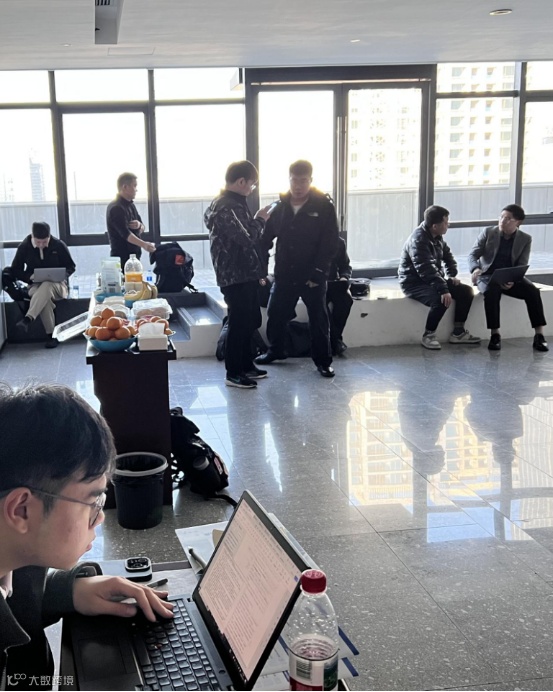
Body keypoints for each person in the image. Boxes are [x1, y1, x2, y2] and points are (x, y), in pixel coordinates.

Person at [0, 383, 173, 689]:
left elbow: (14, 600)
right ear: (21, 510)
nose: (101, 517)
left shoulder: (14, 557)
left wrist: (70, 591)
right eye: (93, 503)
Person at [256, 160, 339, 378]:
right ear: (289, 180)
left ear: (310, 181)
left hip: (312, 275)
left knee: (318, 319)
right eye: (294, 180)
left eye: (303, 181)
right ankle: (276, 350)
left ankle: (323, 362)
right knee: (276, 313)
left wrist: (319, 273)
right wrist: (262, 270)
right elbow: (265, 239)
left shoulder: (323, 206)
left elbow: (330, 243)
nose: (298, 185)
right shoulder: (280, 206)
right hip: (285, 273)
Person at [204, 161, 272, 389]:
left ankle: (246, 365)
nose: (252, 189)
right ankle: (233, 372)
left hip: (244, 273)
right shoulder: (227, 206)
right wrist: (260, 219)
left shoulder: (232, 203)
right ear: (241, 181)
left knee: (250, 319)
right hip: (235, 275)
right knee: (239, 323)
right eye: (252, 184)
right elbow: (247, 237)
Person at [398, 205, 481, 350]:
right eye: (445, 222)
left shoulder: (436, 237)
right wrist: (443, 289)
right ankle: (428, 335)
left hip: (432, 279)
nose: (448, 225)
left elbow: (448, 256)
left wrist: (452, 275)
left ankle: (458, 333)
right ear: (435, 226)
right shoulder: (418, 240)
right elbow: (425, 269)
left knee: (466, 291)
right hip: (413, 283)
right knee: (441, 300)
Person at [469, 204, 548, 352]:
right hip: (487, 275)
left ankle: (539, 335)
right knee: (492, 292)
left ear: (518, 222)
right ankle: (495, 334)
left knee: (533, 291)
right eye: (501, 217)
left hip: (510, 276)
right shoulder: (488, 232)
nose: (502, 221)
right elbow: (473, 255)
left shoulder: (525, 239)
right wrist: (475, 269)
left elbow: (522, 264)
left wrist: (512, 279)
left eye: (508, 218)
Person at [11, 221, 76, 349]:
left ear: (49, 237)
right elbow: (15, 270)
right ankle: (53, 336)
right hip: (34, 286)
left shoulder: (58, 245)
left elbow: (71, 266)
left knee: (47, 285)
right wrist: (29, 277)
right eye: (38, 242)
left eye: (45, 242)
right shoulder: (24, 247)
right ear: (32, 237)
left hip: (58, 286)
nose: (41, 245)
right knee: (44, 298)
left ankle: (28, 318)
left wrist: (61, 275)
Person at [106, 172, 155, 268]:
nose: (136, 190)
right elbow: (126, 234)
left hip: (134, 257)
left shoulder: (131, 205)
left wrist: (139, 225)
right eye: (134, 186)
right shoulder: (116, 208)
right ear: (125, 187)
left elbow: (142, 226)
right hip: (122, 259)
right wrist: (144, 245)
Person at [327, 237, 353, 356]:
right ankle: (335, 342)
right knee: (320, 305)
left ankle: (334, 341)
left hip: (333, 282)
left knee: (346, 301)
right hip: (313, 284)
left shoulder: (339, 242)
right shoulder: (309, 240)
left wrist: (344, 277)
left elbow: (345, 266)